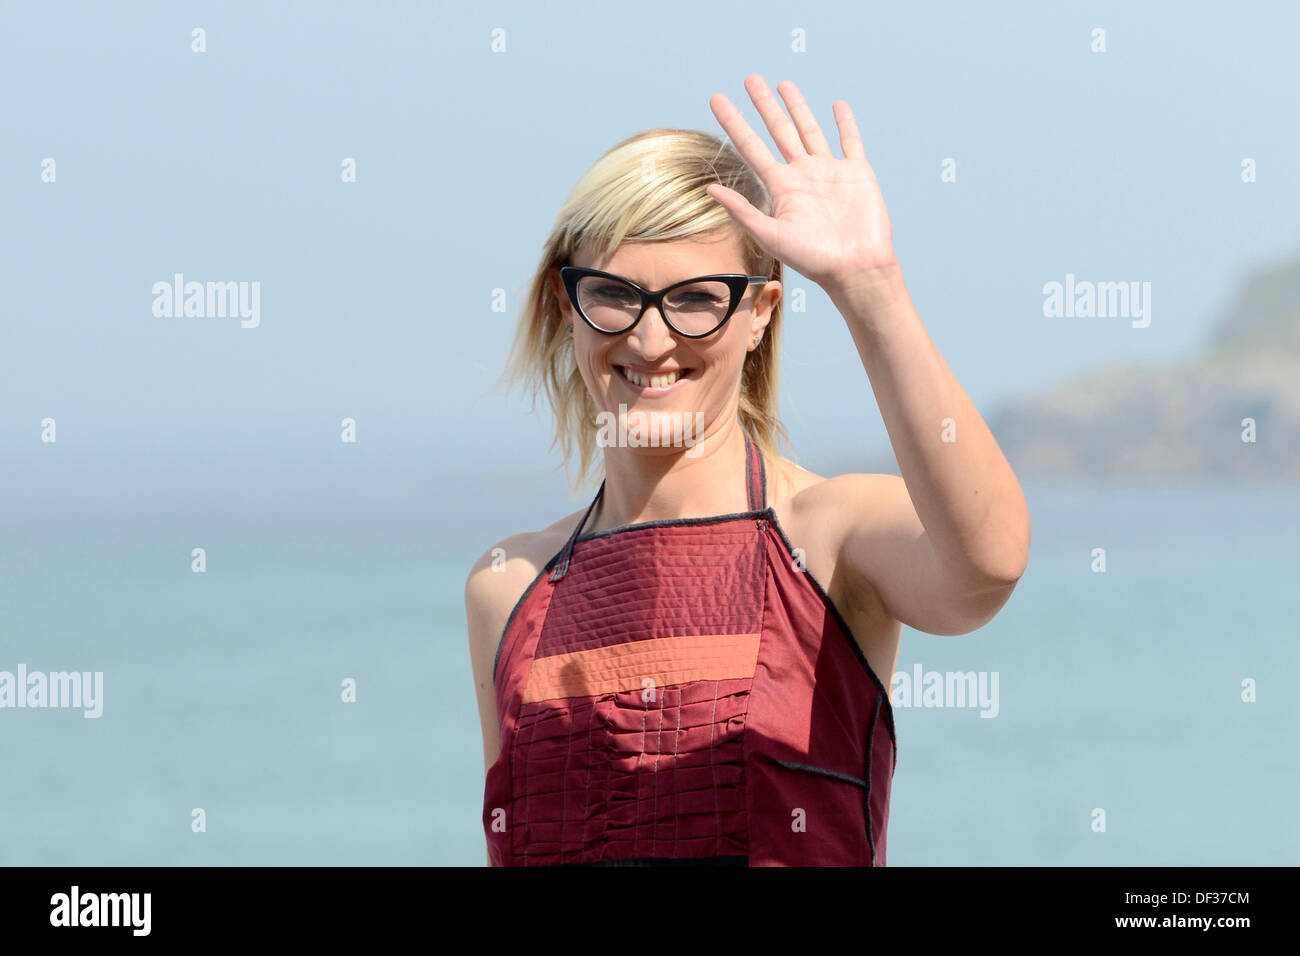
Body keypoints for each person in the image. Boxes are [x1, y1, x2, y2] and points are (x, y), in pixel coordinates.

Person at [465, 74, 1030, 866]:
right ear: (568, 307)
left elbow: (987, 566)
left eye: (696, 299)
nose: (651, 340)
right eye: (613, 296)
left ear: (760, 312)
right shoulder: (509, 586)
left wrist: (870, 287)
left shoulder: (826, 538)